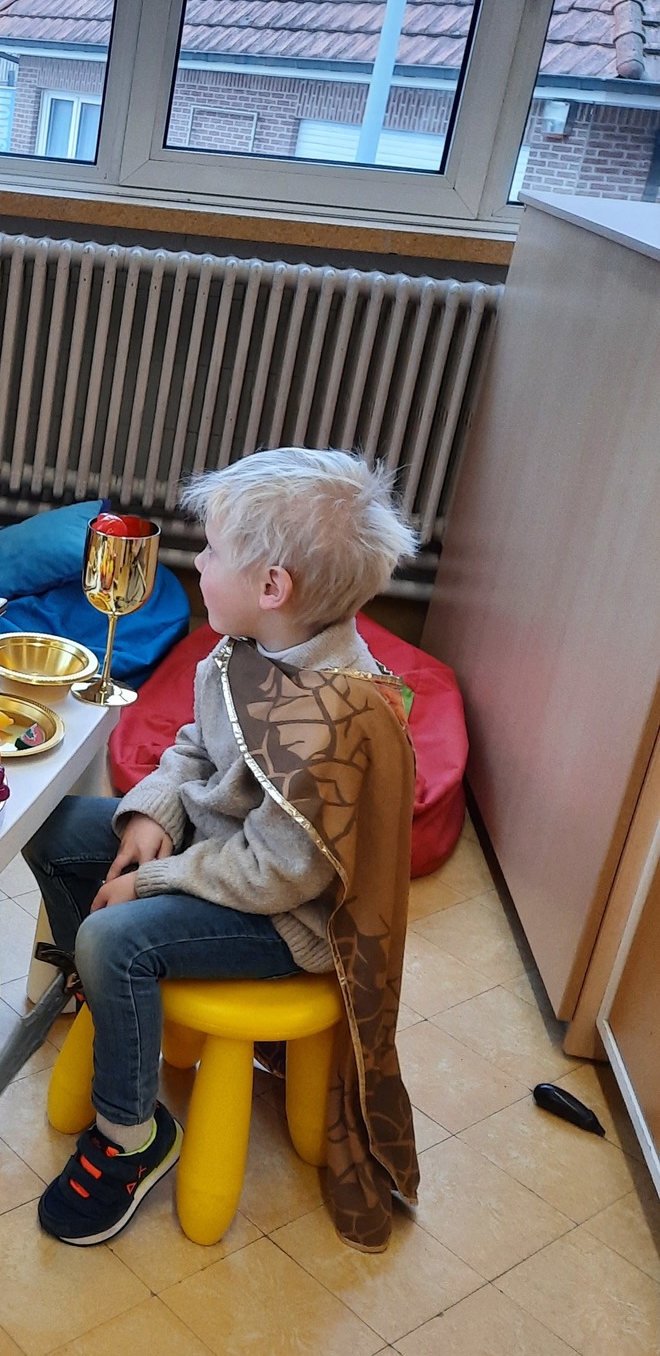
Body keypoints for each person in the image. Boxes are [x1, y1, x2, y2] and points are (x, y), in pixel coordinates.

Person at [26, 448, 421, 1249]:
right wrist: (154, 813)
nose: (197, 562)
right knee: (51, 830)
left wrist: (152, 883)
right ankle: (103, 992)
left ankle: (130, 1139)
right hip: (222, 852)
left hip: (282, 917)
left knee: (114, 939)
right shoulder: (247, 646)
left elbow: (277, 874)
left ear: (272, 587)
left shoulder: (334, 725)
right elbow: (195, 747)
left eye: (211, 551)